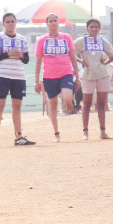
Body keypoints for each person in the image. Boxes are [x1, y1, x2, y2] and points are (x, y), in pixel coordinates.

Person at [0, 12, 34, 147]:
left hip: (18, 75)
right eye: (7, 22)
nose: (10, 24)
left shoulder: (22, 39)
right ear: (3, 24)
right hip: (2, 74)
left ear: (16, 22)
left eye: (12, 21)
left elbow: (27, 60)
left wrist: (20, 56)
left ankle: (18, 136)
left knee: (17, 106)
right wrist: (7, 54)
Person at [33, 13, 76, 141]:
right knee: (52, 105)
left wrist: (77, 76)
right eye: (50, 21)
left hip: (66, 72)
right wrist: (36, 81)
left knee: (67, 97)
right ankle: (56, 133)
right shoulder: (42, 40)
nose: (53, 23)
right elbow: (38, 61)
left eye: (55, 20)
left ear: (58, 22)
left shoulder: (66, 37)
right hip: (49, 76)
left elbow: (73, 57)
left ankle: (70, 106)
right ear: (47, 24)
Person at [75, 18, 113, 139]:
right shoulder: (81, 41)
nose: (94, 29)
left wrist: (106, 61)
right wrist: (81, 60)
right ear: (87, 28)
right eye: (91, 27)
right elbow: (71, 52)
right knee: (86, 104)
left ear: (99, 28)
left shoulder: (102, 41)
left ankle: (103, 132)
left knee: (101, 104)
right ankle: (85, 132)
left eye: (96, 27)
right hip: (88, 74)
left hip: (102, 74)